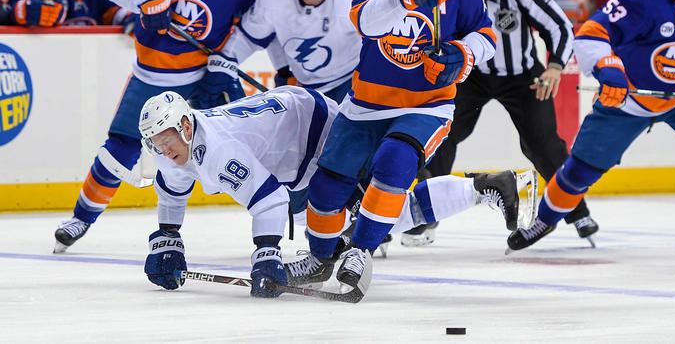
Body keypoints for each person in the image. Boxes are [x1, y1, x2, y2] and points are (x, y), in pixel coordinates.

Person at [286, 0, 498, 293]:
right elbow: (366, 22)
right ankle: (319, 258)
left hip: (427, 105)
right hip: (365, 105)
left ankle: (360, 252)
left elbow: (486, 34)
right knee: (326, 187)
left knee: (394, 163)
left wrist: (462, 56)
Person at [140, 86, 530, 296]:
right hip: (289, 139)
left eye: (166, 138)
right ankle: (326, 254)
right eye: (155, 143)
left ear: (187, 127)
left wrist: (266, 254)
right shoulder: (172, 148)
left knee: (372, 211)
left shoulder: (217, 150)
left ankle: (482, 187)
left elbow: (267, 199)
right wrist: (167, 238)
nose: (162, 148)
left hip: (310, 127)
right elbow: (172, 193)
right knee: (345, 221)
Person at [52, 0, 263, 253]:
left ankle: (291, 219)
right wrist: (145, 0)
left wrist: (227, 59)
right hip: (152, 76)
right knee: (120, 148)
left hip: (206, 76)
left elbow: (255, 24)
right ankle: (80, 218)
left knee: (249, 144)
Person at [507, 0, 675, 252]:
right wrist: (609, 68)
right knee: (580, 171)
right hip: (627, 100)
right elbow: (591, 33)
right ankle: (545, 219)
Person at [421, 0, 599, 246]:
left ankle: (576, 210)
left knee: (542, 145)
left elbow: (560, 26)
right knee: (442, 134)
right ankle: (427, 213)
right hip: (472, 76)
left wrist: (556, 66)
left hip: (522, 78)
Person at [228, 0, 360, 104]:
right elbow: (255, 37)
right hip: (305, 87)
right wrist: (224, 63)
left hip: (348, 82)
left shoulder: (347, 1)